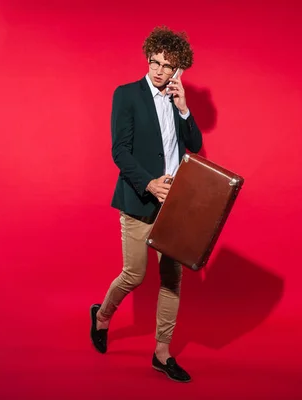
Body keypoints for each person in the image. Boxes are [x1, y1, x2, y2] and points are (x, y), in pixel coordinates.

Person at [89, 26, 202, 383]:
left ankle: (162, 353)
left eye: (167, 66)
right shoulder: (126, 95)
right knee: (135, 274)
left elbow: (195, 145)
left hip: (175, 205)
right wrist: (149, 183)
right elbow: (119, 149)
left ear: (178, 69)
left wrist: (184, 109)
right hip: (140, 198)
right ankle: (102, 315)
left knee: (171, 279)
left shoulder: (176, 100)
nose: (158, 70)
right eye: (154, 61)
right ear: (147, 59)